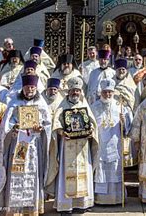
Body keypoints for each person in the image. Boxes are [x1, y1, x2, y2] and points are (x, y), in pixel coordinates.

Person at [0, 75, 51, 214]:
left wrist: (41, 127)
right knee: (17, 173)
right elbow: (5, 126)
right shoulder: (14, 102)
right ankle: (15, 208)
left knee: (32, 174)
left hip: (34, 145)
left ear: (36, 88)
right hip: (18, 144)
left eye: (32, 87)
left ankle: (31, 208)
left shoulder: (41, 103)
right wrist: (14, 126)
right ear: (23, 88)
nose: (30, 90)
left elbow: (47, 124)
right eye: (27, 87)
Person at [46, 76, 98, 213]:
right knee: (66, 174)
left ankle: (82, 204)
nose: (75, 93)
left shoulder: (84, 106)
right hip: (67, 144)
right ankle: (66, 206)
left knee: (83, 173)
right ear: (68, 91)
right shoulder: (62, 106)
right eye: (73, 90)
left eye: (78, 91)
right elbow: (56, 123)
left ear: (81, 92)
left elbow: (92, 123)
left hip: (82, 146)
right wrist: (62, 132)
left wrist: (91, 130)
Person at [91, 78, 132, 205]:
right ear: (101, 92)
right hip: (101, 145)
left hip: (115, 144)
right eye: (105, 92)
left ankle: (117, 198)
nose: (108, 94)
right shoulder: (93, 107)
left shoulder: (120, 107)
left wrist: (123, 122)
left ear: (113, 92)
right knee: (101, 170)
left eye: (110, 92)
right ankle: (101, 199)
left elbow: (127, 129)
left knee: (115, 169)